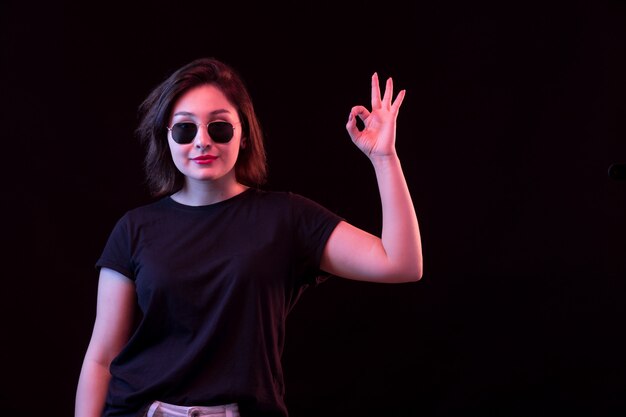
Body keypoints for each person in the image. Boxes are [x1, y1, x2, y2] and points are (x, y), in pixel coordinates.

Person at [75, 57, 423, 417]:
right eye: (184, 130)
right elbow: (102, 358)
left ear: (243, 134)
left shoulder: (286, 218)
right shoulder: (134, 229)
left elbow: (401, 263)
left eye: (220, 127)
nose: (202, 141)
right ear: (167, 138)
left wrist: (385, 159)